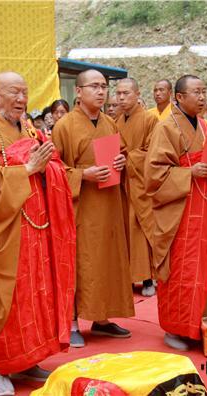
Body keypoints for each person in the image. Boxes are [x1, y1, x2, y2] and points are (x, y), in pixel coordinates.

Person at [0, 72, 76, 396]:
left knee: (35, 296)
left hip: (37, 230)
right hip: (5, 231)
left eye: (24, 93)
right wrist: (26, 169)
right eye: (14, 93)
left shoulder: (28, 127)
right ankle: (0, 367)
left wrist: (47, 164)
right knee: (6, 299)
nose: (21, 99)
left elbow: (51, 165)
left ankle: (29, 359)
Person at [144, 75, 207, 351]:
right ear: (179, 97)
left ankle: (203, 319)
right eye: (196, 92)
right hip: (181, 212)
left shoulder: (203, 125)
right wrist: (189, 171)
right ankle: (176, 328)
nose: (201, 97)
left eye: (204, 91)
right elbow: (153, 175)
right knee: (183, 269)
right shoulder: (166, 127)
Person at [52, 69, 134, 348]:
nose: (101, 92)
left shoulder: (110, 123)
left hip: (109, 203)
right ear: (78, 92)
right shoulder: (64, 126)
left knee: (108, 262)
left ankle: (101, 319)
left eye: (104, 87)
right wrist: (82, 175)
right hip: (81, 207)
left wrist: (123, 163)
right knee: (81, 263)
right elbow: (53, 169)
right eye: (94, 87)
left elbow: (119, 154)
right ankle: (73, 321)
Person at [114, 78, 159, 297]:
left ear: (137, 93)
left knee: (140, 230)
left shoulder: (150, 119)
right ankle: (129, 278)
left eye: (126, 93)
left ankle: (148, 277)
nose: (121, 98)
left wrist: (128, 158)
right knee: (124, 232)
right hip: (122, 184)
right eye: (118, 94)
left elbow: (154, 152)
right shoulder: (116, 121)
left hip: (141, 185)